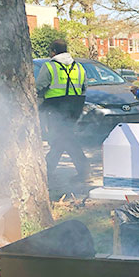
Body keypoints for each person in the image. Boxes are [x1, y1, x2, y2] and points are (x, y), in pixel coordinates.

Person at [35, 39, 89, 181]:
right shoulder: (79, 67)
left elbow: (39, 87)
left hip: (56, 108)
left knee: (64, 138)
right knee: (63, 138)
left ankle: (82, 170)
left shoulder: (49, 66)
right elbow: (84, 88)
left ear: (53, 51)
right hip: (75, 108)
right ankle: (49, 169)